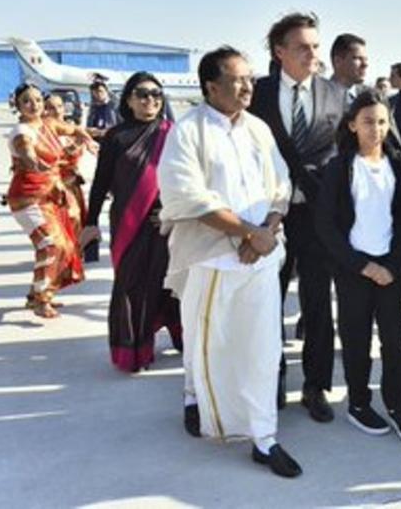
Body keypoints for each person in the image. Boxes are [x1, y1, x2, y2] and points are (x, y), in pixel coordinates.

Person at [158, 46, 301, 478]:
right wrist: (247, 233)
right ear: (211, 87)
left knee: (263, 347)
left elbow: (281, 186)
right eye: (238, 79)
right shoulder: (189, 131)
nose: (247, 87)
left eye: (249, 78)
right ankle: (193, 397)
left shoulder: (258, 128)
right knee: (208, 344)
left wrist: (265, 231)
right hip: (212, 258)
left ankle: (264, 436)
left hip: (260, 257)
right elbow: (187, 196)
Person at [249, 12, 347, 423]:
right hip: (266, 213)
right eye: (302, 47)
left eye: (315, 46)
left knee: (317, 300)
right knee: (267, 299)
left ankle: (316, 385)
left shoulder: (335, 93)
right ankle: (271, 377)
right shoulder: (256, 93)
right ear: (280, 52)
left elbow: (343, 152)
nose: (312, 54)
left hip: (316, 213)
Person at [315, 91, 401, 441]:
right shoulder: (339, 167)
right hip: (354, 270)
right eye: (367, 122)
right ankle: (359, 404)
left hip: (389, 269)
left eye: (381, 122)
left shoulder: (398, 164)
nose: (375, 129)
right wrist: (361, 265)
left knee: (394, 340)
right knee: (356, 339)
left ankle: (397, 406)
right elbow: (326, 225)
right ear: (352, 125)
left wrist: (392, 264)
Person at [82, 72, 181, 372]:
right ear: (128, 99)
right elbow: (101, 182)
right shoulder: (116, 137)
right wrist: (90, 221)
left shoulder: (173, 133)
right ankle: (134, 350)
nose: (150, 99)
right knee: (131, 285)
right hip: (128, 223)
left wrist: (171, 211)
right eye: (142, 94)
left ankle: (183, 337)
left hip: (167, 223)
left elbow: (186, 180)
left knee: (170, 283)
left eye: (156, 94)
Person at [6, 83, 88, 317]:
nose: (34, 105)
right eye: (27, 101)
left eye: (37, 100)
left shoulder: (48, 124)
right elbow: (26, 151)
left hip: (50, 196)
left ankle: (36, 295)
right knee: (51, 244)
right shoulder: (21, 131)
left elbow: (73, 129)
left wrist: (93, 136)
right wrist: (34, 163)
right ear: (17, 105)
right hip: (27, 199)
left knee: (64, 244)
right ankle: (42, 299)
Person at [42, 94, 89, 244]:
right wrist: (71, 150)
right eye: (51, 107)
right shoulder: (42, 132)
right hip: (55, 186)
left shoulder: (70, 128)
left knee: (78, 223)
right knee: (67, 221)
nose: (57, 111)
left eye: (59, 106)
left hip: (73, 184)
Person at [329, 33, 369, 104]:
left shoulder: (368, 99)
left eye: (366, 59)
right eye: (358, 58)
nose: (365, 64)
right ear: (338, 61)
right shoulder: (317, 98)